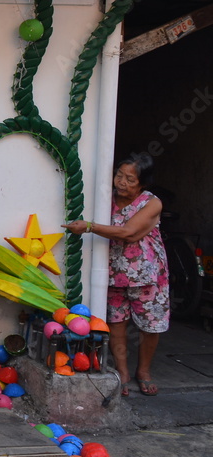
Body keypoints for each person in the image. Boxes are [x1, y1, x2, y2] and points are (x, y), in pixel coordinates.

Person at [63, 153, 169, 397]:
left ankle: (144, 371)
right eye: (119, 176)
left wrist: (89, 227)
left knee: (150, 326)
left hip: (148, 275)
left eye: (130, 179)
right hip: (114, 273)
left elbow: (129, 233)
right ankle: (122, 371)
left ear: (143, 183)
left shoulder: (152, 203)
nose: (122, 182)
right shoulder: (105, 199)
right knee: (116, 323)